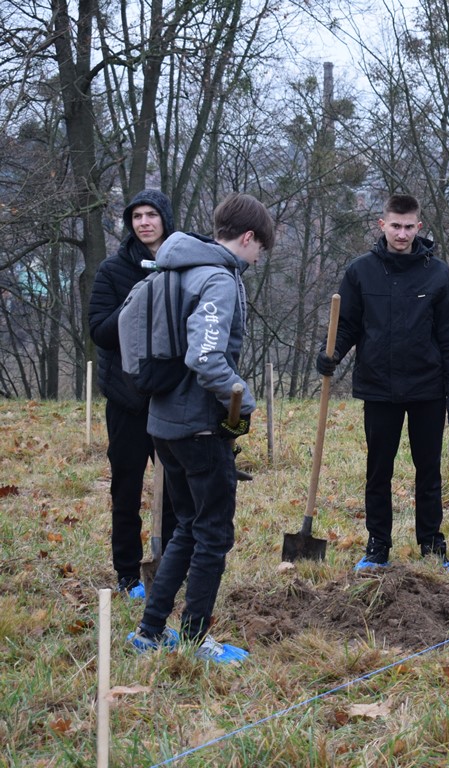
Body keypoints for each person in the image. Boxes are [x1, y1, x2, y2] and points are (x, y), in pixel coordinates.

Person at [127, 192, 274, 664]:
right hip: (199, 428)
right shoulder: (217, 279)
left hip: (162, 421)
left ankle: (149, 632)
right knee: (212, 532)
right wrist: (242, 400)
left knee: (186, 526)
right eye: (259, 249)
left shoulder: (173, 267)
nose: (257, 258)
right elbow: (206, 358)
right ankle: (194, 639)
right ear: (248, 238)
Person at [315, 194, 449, 574]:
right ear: (381, 225)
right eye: (395, 226)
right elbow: (348, 323)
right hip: (379, 388)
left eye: (409, 226)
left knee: (428, 470)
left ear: (420, 228)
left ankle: (432, 547)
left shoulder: (438, 274)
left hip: (427, 389)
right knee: (378, 470)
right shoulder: (360, 272)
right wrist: (330, 352)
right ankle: (377, 547)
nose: (402, 234)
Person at [88, 190, 177, 600]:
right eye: (137, 216)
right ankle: (128, 574)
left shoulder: (183, 264)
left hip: (172, 397)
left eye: (151, 215)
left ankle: (172, 566)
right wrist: (136, 302)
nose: (144, 222)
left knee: (176, 489)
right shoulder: (112, 270)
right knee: (126, 490)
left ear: (165, 219)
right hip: (126, 399)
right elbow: (100, 332)